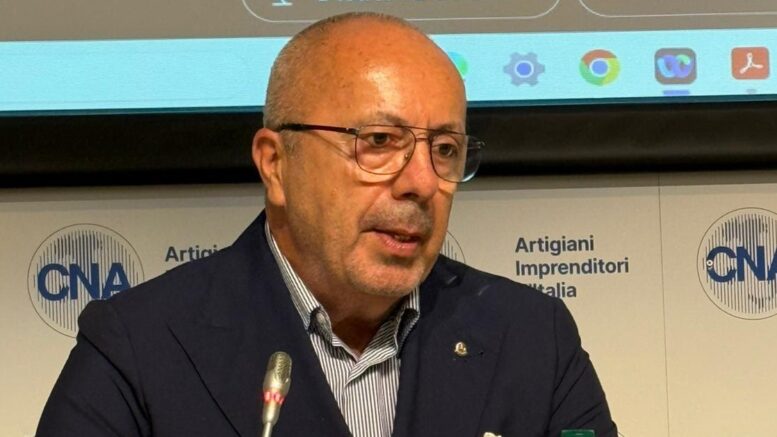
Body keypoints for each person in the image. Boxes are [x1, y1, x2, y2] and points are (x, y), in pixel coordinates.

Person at [37, 12, 617, 437]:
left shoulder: (532, 338)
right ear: (276, 164)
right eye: (379, 141)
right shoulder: (139, 347)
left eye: (445, 149)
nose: (421, 182)